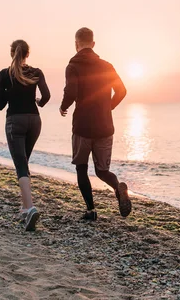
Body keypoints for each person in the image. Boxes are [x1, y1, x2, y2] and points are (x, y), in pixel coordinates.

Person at [59, 27, 132, 221]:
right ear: (93, 44)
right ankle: (118, 188)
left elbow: (71, 91)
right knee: (102, 171)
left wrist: (63, 106)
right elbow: (122, 91)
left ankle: (91, 210)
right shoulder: (107, 66)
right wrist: (108, 107)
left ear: (76, 45)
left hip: (82, 126)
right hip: (104, 126)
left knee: (81, 167)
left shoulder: (73, 66)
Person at [0, 39, 50, 231]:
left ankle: (29, 209)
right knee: (24, 163)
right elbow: (46, 96)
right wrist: (39, 102)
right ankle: (24, 205)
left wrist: (7, 91)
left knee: (21, 165)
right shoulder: (36, 72)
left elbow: (0, 104)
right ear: (28, 54)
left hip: (15, 121)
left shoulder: (5, 74)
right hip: (35, 121)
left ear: (12, 53)